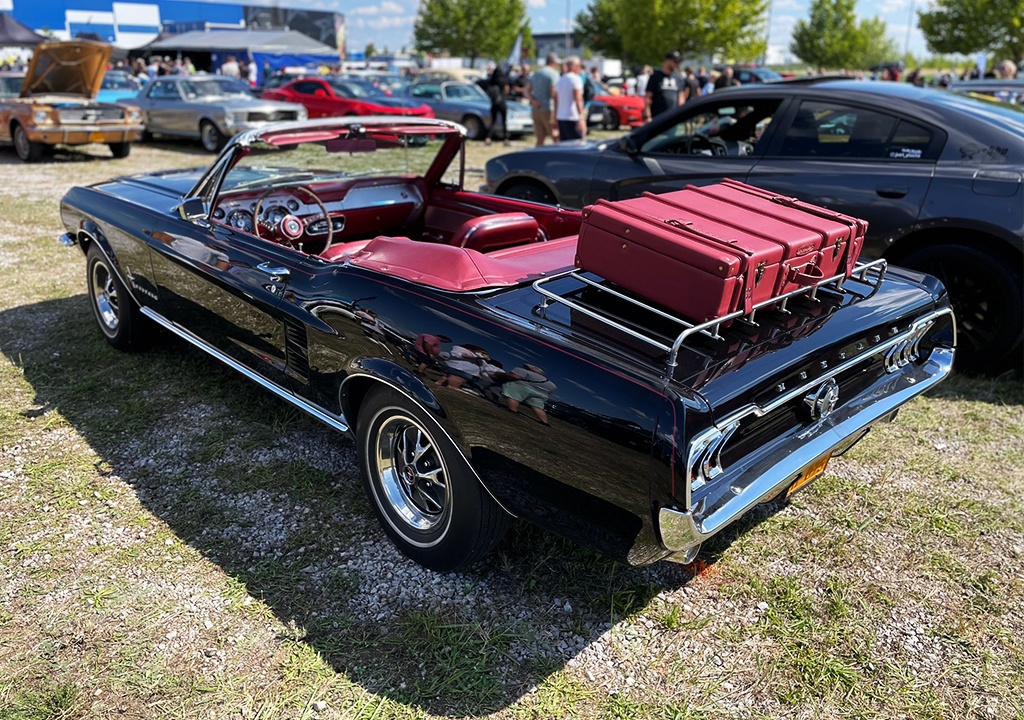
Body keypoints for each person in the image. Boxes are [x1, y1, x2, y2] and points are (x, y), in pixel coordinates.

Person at [528, 53, 560, 146]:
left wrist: (532, 101)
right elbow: (554, 93)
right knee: (555, 137)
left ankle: (538, 158)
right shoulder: (553, 74)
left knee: (540, 139)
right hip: (548, 108)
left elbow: (526, 90)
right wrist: (557, 113)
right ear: (554, 63)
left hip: (536, 108)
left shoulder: (536, 73)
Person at [644, 51, 684, 122]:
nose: (677, 64)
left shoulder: (678, 78)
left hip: (673, 118)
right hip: (657, 118)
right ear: (667, 61)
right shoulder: (655, 77)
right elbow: (648, 97)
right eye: (675, 62)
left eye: (678, 62)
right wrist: (648, 116)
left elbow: (681, 98)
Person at [555, 56, 585, 141]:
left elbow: (556, 100)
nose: (579, 68)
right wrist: (581, 118)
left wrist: (555, 117)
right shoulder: (575, 79)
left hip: (561, 117)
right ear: (573, 66)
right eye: (579, 65)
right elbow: (578, 99)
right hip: (573, 117)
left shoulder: (560, 80)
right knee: (577, 145)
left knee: (565, 146)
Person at [484, 65, 510, 146]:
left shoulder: (492, 81)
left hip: (494, 103)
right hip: (502, 102)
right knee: (504, 122)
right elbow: (506, 91)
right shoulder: (503, 80)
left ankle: (488, 138)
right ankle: (505, 139)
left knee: (493, 121)